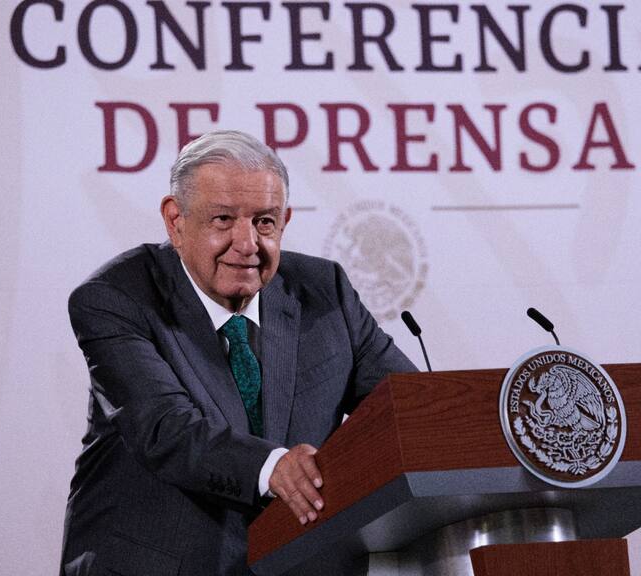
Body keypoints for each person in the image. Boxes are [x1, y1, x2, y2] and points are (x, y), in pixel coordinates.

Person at [60, 130, 416, 575]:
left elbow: (407, 409)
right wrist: (275, 467)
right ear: (175, 220)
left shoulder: (325, 293)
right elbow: (166, 428)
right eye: (223, 220)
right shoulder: (117, 299)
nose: (247, 244)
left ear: (284, 220)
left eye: (264, 221)